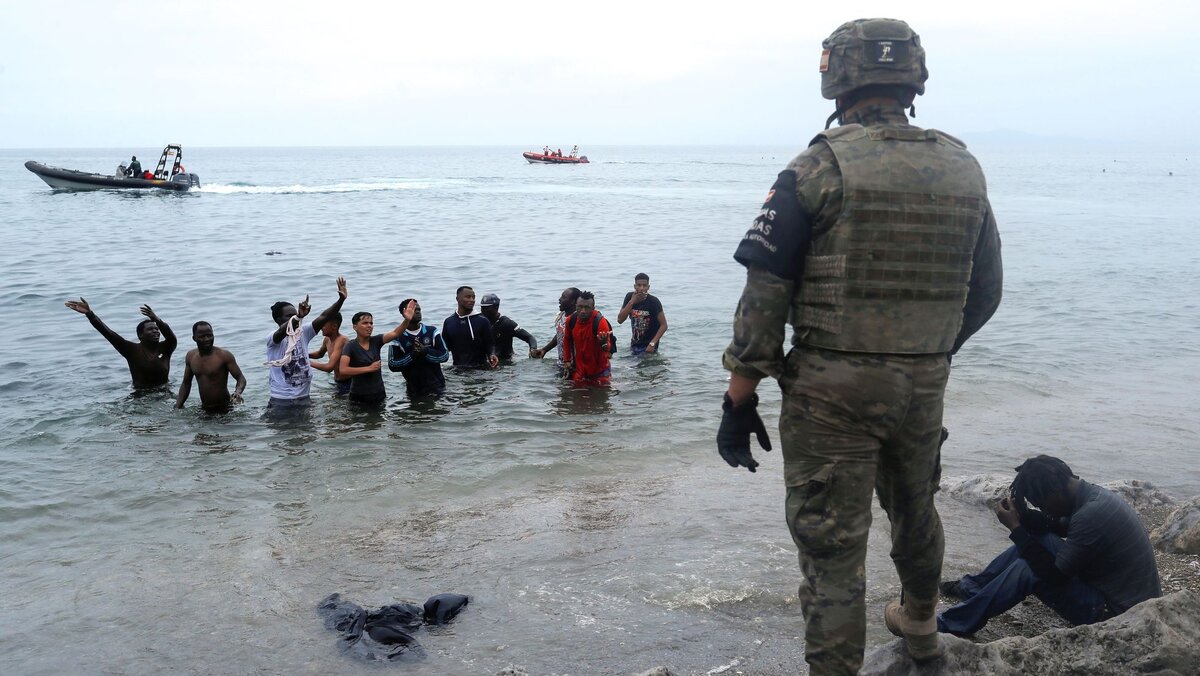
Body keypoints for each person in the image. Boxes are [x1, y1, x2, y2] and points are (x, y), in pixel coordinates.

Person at [716, 18, 1003, 674]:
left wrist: (739, 397)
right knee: (915, 508)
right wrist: (929, 351)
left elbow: (766, 296)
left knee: (833, 557)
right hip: (923, 383)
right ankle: (923, 632)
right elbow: (984, 290)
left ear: (835, 79)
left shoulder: (819, 165)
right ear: (912, 78)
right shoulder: (963, 168)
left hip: (831, 391)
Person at [937, 456, 1161, 636]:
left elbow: (1054, 577)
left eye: (1041, 504)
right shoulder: (1092, 496)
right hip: (1120, 595)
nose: (1044, 510)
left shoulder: (1090, 515)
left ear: (1054, 492)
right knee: (1040, 540)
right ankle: (972, 588)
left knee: (1028, 570)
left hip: (1120, 615)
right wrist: (1023, 516)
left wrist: (1016, 530)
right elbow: (1056, 526)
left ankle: (952, 623)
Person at [265, 276, 348, 410]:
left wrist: (341, 300)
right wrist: (298, 316)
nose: (294, 318)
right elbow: (282, 330)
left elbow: (325, 316)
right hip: (282, 401)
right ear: (278, 319)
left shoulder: (304, 331)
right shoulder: (273, 339)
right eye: (289, 316)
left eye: (295, 314)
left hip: (304, 398)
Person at [65, 298, 177, 389]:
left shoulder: (166, 348)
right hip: (140, 395)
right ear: (140, 335)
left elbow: (171, 337)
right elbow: (108, 333)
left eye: (157, 329)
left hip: (164, 391)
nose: (155, 331)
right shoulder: (131, 349)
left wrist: (157, 319)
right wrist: (90, 314)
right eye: (150, 329)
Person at [337, 305, 413, 407]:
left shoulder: (376, 341)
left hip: (379, 395)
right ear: (355, 327)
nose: (369, 326)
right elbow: (343, 370)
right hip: (359, 398)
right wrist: (368, 368)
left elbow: (396, 333)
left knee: (379, 422)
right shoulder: (350, 346)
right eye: (365, 323)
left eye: (371, 323)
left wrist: (407, 320)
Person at [175, 321, 247, 412]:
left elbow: (241, 378)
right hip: (204, 408)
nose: (207, 339)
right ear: (194, 338)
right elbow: (186, 383)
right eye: (202, 336)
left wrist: (238, 392)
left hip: (225, 407)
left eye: (209, 335)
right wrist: (177, 406)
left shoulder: (224, 355)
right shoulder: (191, 356)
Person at [388, 299, 450, 400]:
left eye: (419, 309)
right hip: (414, 389)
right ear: (404, 313)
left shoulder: (432, 331)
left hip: (438, 386)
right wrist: (412, 355)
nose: (418, 312)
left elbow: (445, 356)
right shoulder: (397, 337)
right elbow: (392, 365)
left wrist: (425, 352)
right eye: (414, 309)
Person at [561, 291, 614, 387]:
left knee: (601, 399)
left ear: (593, 308)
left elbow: (607, 348)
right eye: (580, 307)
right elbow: (567, 340)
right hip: (580, 371)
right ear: (575, 305)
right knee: (575, 399)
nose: (583, 311)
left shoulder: (600, 322)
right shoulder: (571, 320)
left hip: (600, 372)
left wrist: (604, 344)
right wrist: (567, 360)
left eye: (587, 307)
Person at [442, 286, 498, 369]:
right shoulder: (449, 322)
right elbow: (445, 347)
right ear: (457, 298)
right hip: (458, 369)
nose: (472, 300)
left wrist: (492, 354)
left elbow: (490, 344)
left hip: (480, 369)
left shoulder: (483, 321)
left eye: (473, 297)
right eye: (468, 297)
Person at [531, 287, 580, 374]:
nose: (559, 299)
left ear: (573, 301)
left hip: (574, 367)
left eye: (563, 297)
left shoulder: (577, 320)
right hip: (561, 364)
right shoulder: (562, 315)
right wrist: (544, 350)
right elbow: (560, 335)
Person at [617, 272, 668, 354]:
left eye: (644, 285)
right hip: (634, 344)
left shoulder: (654, 301)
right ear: (635, 286)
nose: (641, 288)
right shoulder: (629, 297)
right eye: (639, 285)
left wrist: (652, 343)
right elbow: (620, 320)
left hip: (649, 346)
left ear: (648, 287)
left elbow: (664, 325)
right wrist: (632, 302)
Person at [479, 293, 537, 360]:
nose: (483, 310)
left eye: (487, 308)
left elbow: (530, 338)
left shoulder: (507, 324)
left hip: (505, 360)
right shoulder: (480, 321)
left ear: (496, 307)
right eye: (482, 307)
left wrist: (533, 349)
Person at [309, 312, 351, 395]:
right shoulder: (327, 339)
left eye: (323, 325)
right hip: (338, 381)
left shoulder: (342, 340)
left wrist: (307, 362)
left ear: (334, 326)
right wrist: (304, 354)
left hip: (349, 382)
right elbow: (319, 354)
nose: (321, 328)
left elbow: (329, 367)